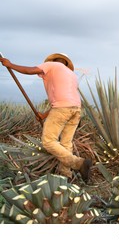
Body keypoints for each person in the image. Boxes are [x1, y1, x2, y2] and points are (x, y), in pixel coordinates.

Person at [0, 53, 92, 183]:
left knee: (48, 141)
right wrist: (43, 115)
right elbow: (65, 99)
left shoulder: (52, 65)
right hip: (76, 109)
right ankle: (65, 175)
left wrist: (10, 65)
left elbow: (30, 70)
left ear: (55, 60)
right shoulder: (72, 75)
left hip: (62, 109)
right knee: (66, 143)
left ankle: (78, 163)